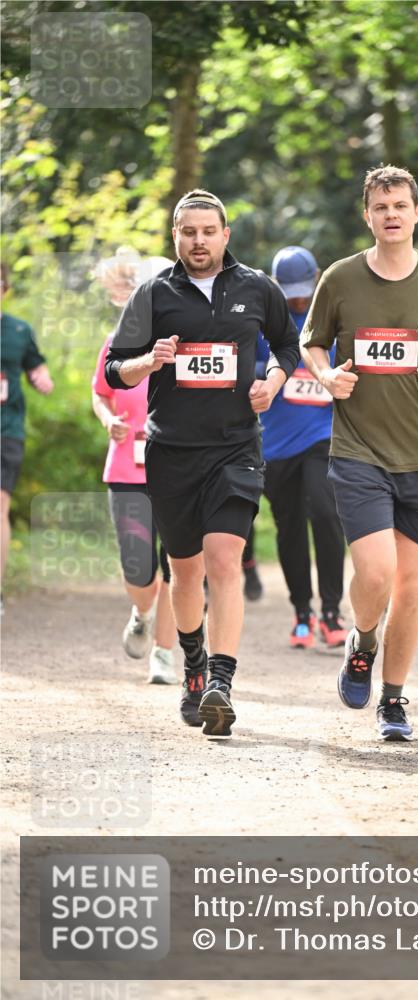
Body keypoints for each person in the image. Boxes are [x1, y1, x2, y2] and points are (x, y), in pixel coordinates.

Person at [105, 190, 300, 735]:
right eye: (188, 232)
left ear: (225, 235)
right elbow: (116, 369)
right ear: (175, 236)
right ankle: (192, 664)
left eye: (208, 231)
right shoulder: (153, 294)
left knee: (224, 560)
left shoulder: (257, 287)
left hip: (237, 448)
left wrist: (272, 383)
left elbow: (288, 344)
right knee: (184, 572)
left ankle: (221, 681)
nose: (198, 241)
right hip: (171, 453)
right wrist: (151, 359)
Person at [300, 165, 418, 741]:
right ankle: (361, 639)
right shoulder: (340, 278)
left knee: (411, 583)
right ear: (368, 215)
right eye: (381, 208)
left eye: (401, 205)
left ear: (416, 212)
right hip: (358, 448)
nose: (392, 215)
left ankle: (394, 699)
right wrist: (327, 376)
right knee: (376, 572)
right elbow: (312, 345)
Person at [91, 249, 178, 684]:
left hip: (178, 468)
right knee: (137, 567)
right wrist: (109, 420)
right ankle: (141, 611)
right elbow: (101, 391)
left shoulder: (190, 344)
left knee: (176, 567)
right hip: (127, 467)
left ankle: (164, 653)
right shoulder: (118, 340)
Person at [256, 246, 347, 649]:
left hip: (321, 437)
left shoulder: (331, 318)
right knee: (289, 527)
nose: (296, 298)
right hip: (275, 445)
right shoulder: (265, 322)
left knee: (327, 513)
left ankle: (331, 611)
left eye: (302, 288)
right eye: (288, 290)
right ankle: (301, 613)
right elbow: (244, 365)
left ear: (317, 279)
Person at [1, 261, 54, 607]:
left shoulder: (19, 331)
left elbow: (37, 367)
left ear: (5, 288)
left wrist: (42, 379)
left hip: (7, 430)